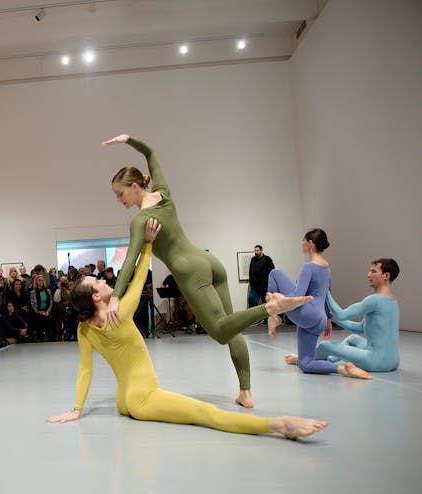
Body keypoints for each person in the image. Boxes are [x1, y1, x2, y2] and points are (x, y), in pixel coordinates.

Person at [46, 219, 328, 440]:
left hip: (125, 399)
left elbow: (85, 369)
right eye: (98, 283)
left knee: (201, 412)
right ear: (96, 297)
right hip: (143, 398)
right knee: (206, 413)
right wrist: (147, 245)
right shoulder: (121, 312)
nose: (104, 281)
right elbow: (140, 275)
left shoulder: (85, 329)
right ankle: (278, 425)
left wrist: (77, 409)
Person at [102, 133, 310, 408]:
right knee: (232, 329)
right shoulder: (163, 194)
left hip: (191, 272)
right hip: (209, 261)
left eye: (120, 193)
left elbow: (130, 260)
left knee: (220, 332)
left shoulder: (140, 221)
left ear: (136, 186)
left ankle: (271, 308)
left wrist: (115, 297)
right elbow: (150, 153)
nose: (118, 199)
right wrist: (128, 139)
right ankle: (245, 392)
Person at [267, 229, 370, 379]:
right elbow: (327, 293)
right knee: (305, 363)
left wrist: (277, 299)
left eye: (303, 240)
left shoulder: (308, 267)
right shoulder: (326, 267)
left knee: (275, 273)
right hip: (319, 319)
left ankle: (273, 316)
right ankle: (343, 370)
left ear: (310, 243)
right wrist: (328, 320)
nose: (301, 243)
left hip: (306, 314)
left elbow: (297, 296)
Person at [314, 258, 401, 372]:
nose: (368, 275)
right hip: (394, 361)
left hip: (376, 362)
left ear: (386, 276)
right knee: (353, 339)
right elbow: (360, 328)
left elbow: (341, 314)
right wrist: (333, 318)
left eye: (373, 271)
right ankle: (330, 359)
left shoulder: (374, 300)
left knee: (325, 345)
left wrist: (326, 291)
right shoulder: (393, 301)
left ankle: (305, 360)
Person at [248, 245, 275, 309]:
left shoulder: (267, 259)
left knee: (266, 302)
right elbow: (250, 271)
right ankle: (254, 315)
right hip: (255, 285)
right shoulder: (253, 259)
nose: (256, 252)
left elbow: (272, 271)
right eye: (255, 250)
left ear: (261, 250)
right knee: (252, 300)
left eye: (257, 250)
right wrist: (251, 282)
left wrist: (270, 282)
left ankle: (267, 315)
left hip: (264, 285)